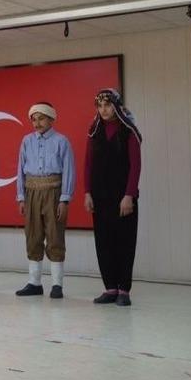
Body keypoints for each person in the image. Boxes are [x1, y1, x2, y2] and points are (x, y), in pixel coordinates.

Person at [84, 89, 142, 307]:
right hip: (100, 197)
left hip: (122, 197)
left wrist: (129, 195)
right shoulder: (94, 130)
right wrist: (87, 192)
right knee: (104, 242)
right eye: (100, 106)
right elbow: (88, 164)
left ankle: (123, 290)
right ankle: (109, 288)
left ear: (116, 106)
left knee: (124, 242)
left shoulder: (128, 131)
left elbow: (135, 166)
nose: (104, 110)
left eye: (107, 105)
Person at [15, 102, 75, 299]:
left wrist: (64, 199)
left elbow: (68, 171)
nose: (37, 122)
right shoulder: (26, 141)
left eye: (41, 118)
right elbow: (20, 169)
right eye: (33, 119)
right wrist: (21, 197)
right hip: (31, 191)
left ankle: (57, 285)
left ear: (51, 119)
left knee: (55, 235)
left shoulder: (61, 141)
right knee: (33, 235)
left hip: (53, 192)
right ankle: (34, 282)